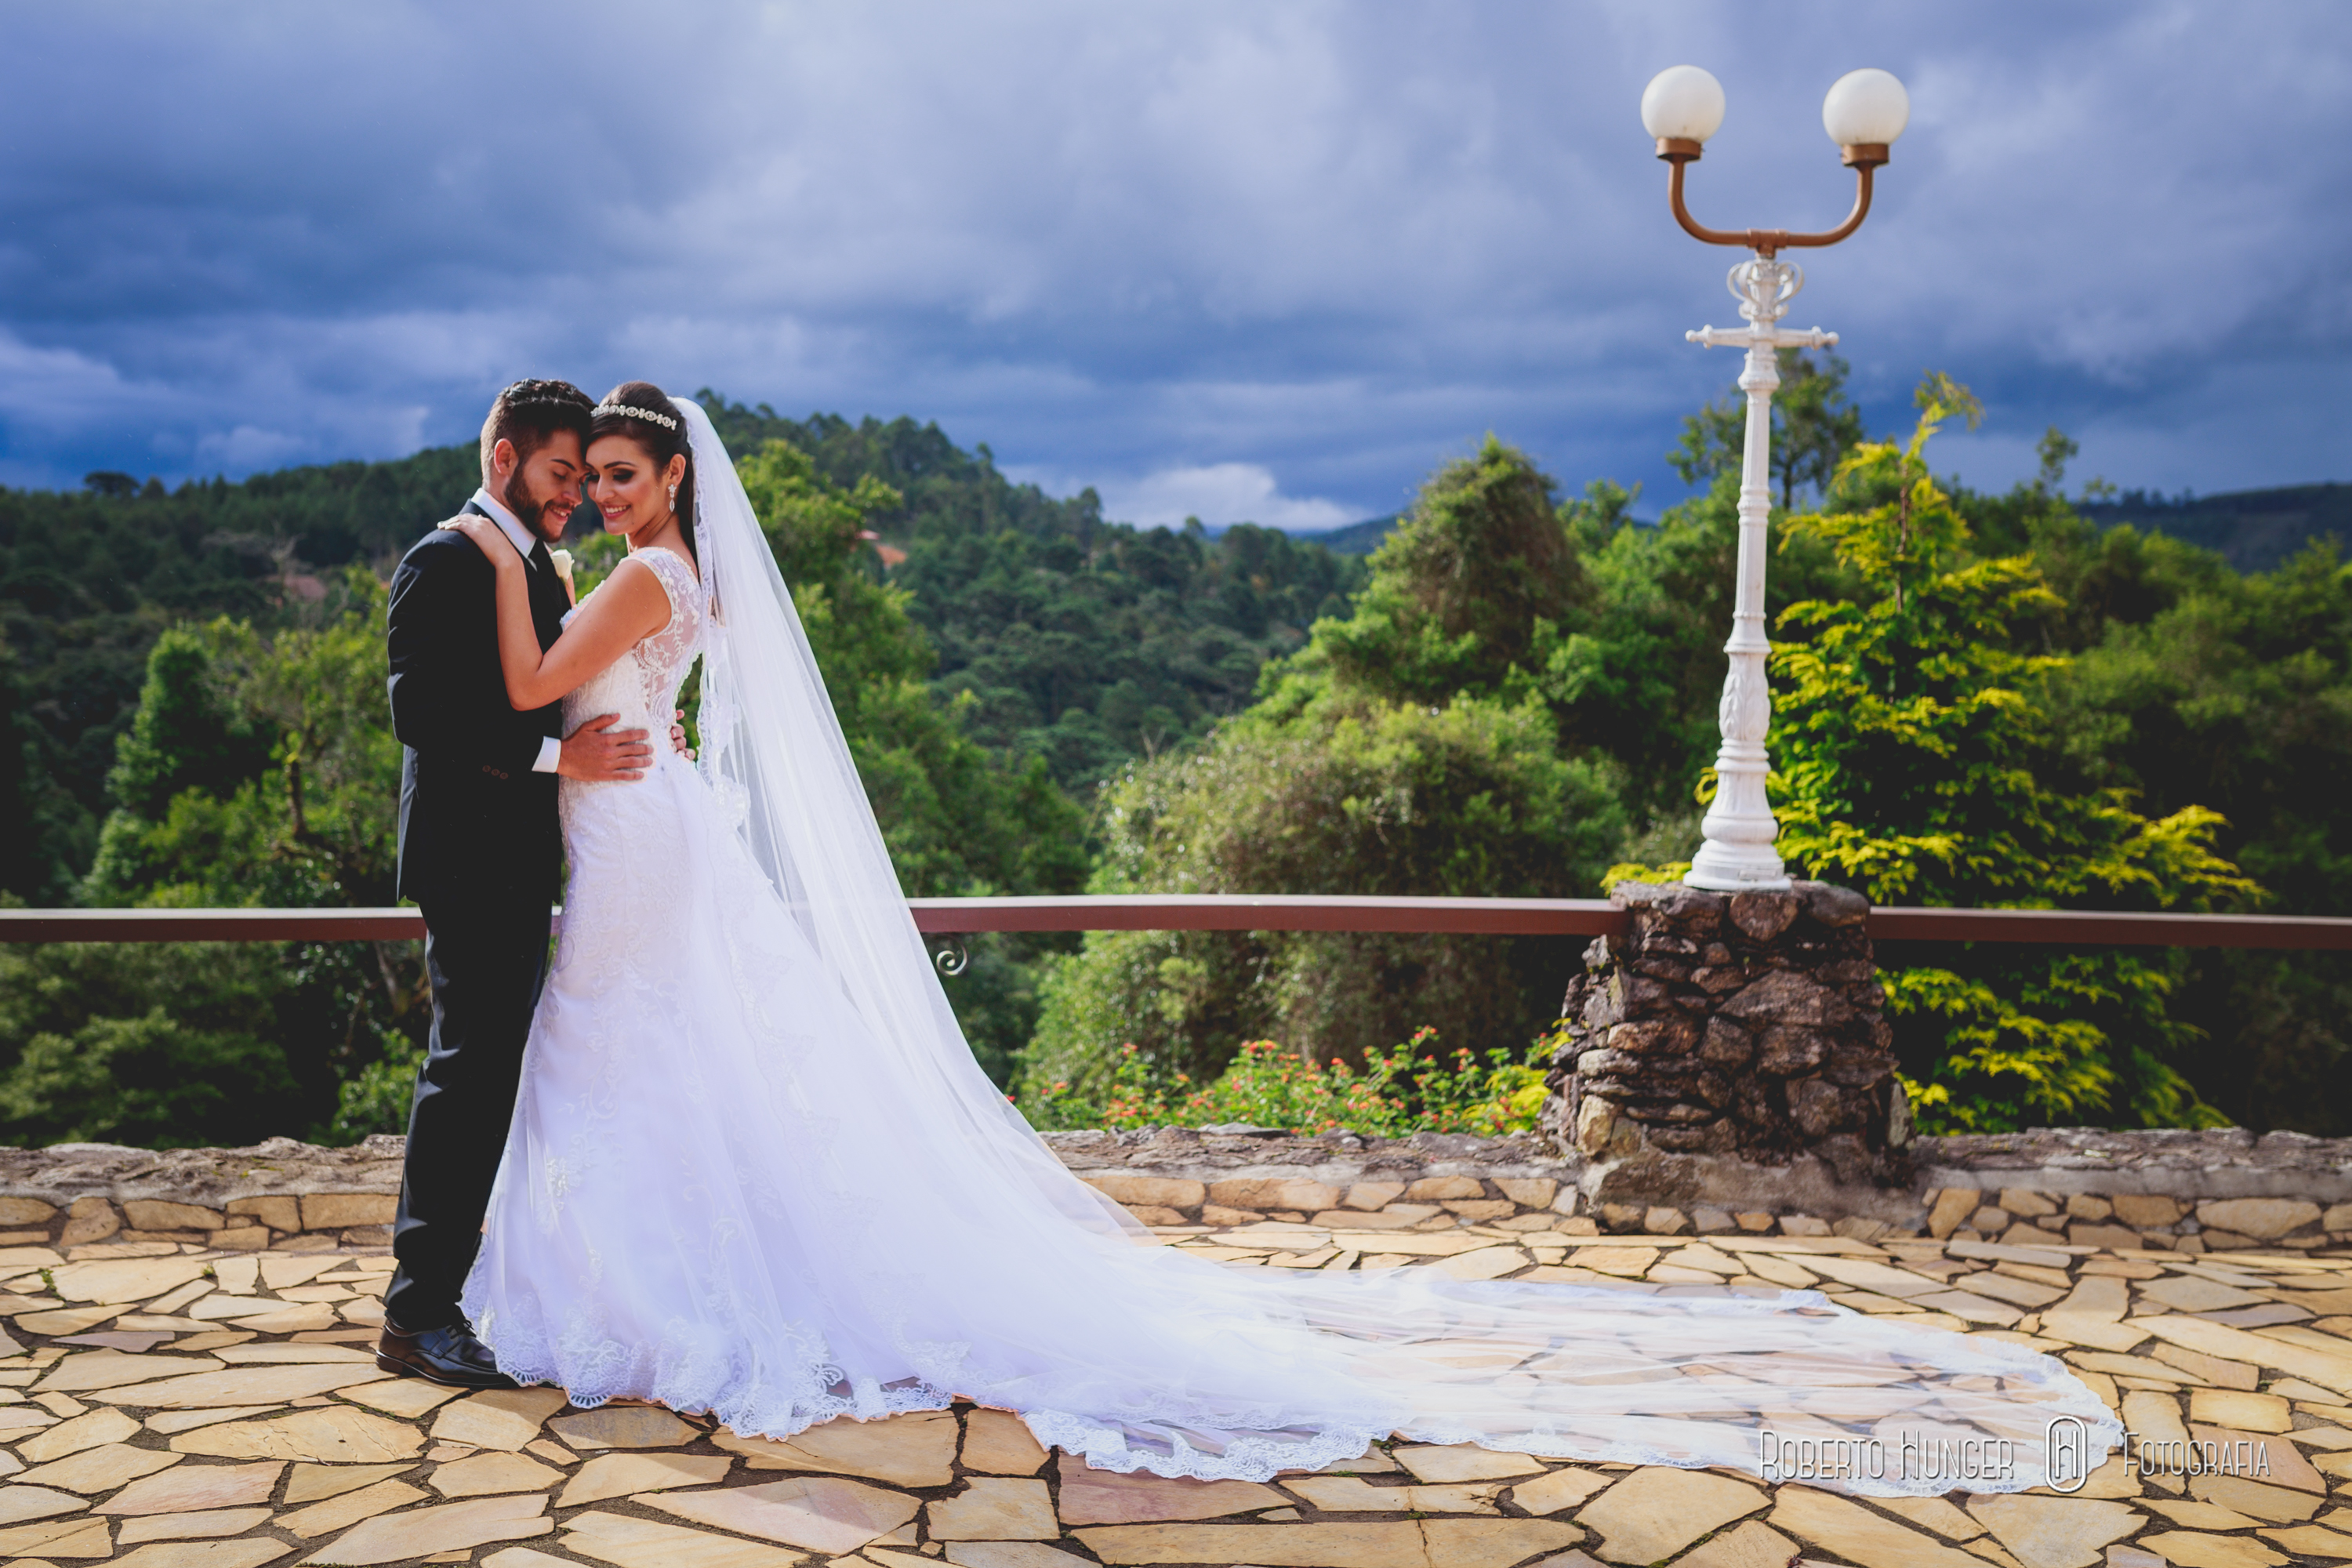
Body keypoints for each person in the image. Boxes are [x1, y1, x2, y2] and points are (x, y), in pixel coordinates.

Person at [435, 381, 2118, 1494]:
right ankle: (631, 1273)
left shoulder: (641, 579)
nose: (601, 490)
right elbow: (557, 705)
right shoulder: (670, 577)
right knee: (639, 1049)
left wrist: (493, 543)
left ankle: (634, 1289)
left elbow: (525, 683)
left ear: (667, 483)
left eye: (622, 472)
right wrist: (538, 633)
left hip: (634, 825)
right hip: (635, 819)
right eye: (585, 475)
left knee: (616, 1042)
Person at [377, 379, 658, 1388]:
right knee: (467, 1072)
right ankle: (417, 1312)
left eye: (583, 479)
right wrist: (559, 760)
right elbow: (421, 711)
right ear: (505, 459)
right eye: (560, 474)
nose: (574, 495)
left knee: (492, 1071)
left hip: (515, 859)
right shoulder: (444, 557)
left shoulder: (533, 562)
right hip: (465, 856)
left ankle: (448, 1293)